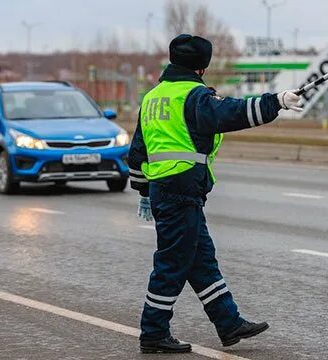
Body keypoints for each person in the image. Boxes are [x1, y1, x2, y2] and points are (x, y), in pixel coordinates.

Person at [129, 34, 302, 354]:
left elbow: (137, 150)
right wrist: (275, 101)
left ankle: (228, 323)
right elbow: (229, 113)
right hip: (182, 190)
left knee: (200, 261)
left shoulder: (154, 96)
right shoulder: (193, 96)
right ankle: (153, 331)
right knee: (171, 265)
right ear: (202, 68)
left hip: (165, 189)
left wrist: (143, 191)